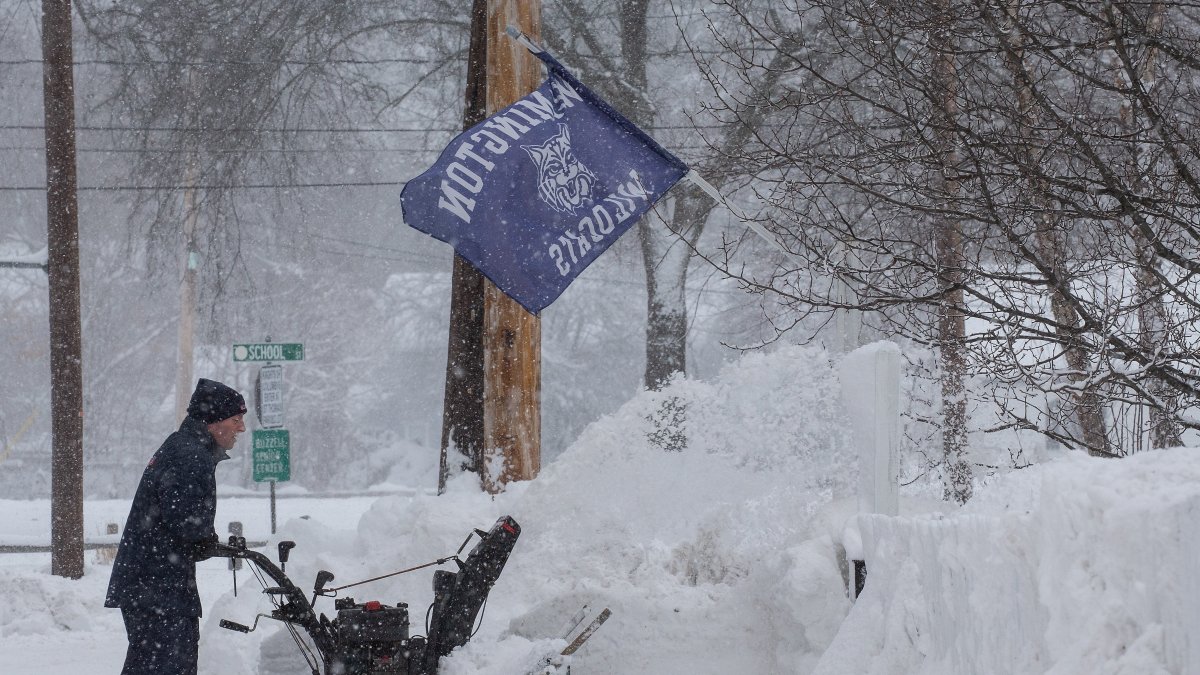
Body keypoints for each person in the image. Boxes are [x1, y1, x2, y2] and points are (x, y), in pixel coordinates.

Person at [105, 378, 247, 675]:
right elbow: (186, 523)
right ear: (213, 422)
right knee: (166, 666)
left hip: (152, 584)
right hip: (158, 589)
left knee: (152, 666)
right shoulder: (190, 455)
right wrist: (207, 540)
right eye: (236, 420)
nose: (241, 428)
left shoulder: (184, 446)